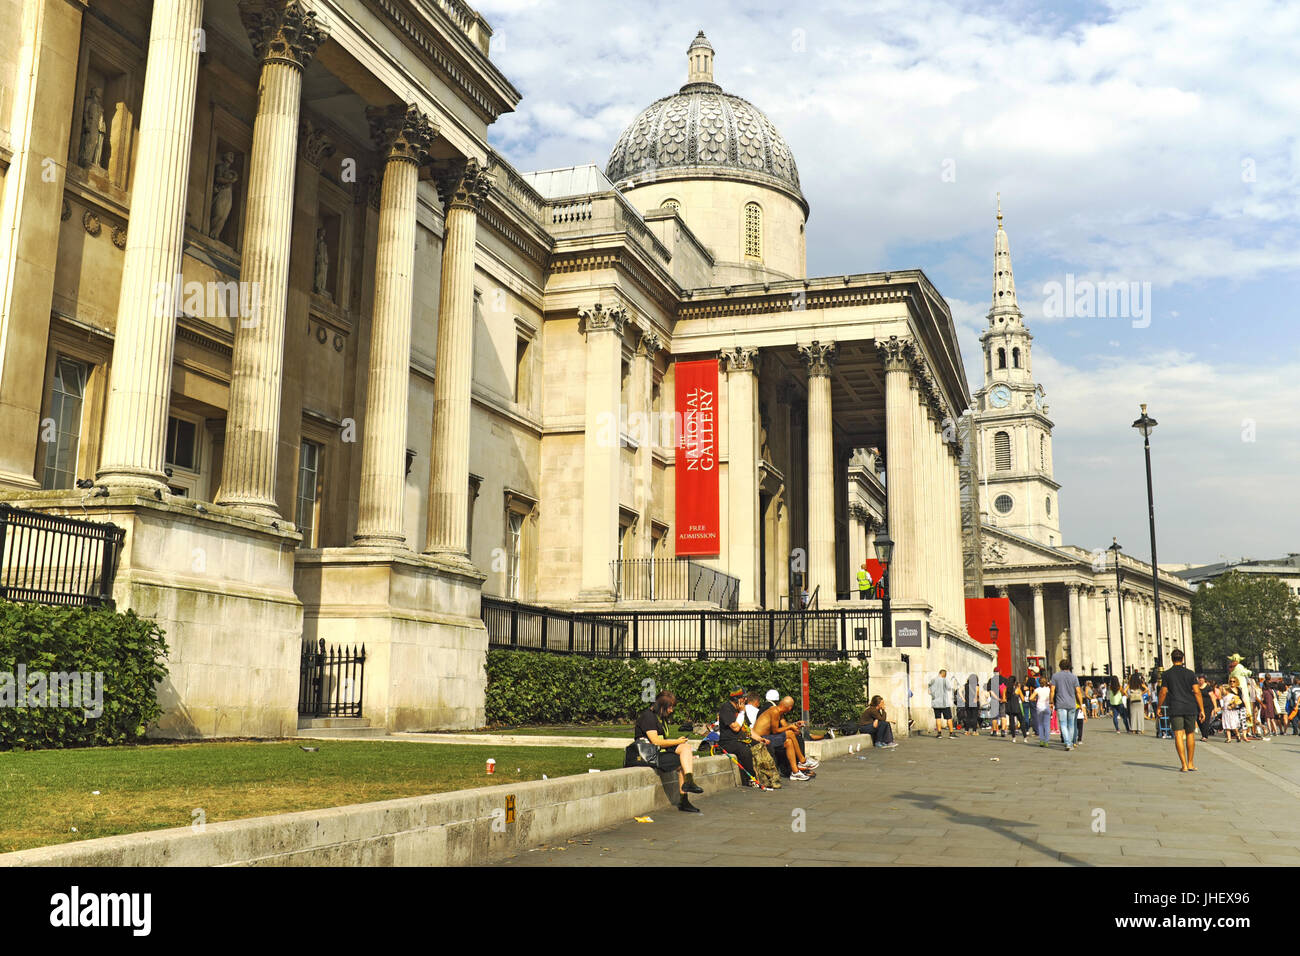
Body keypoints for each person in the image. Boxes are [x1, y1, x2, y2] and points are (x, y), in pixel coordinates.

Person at [634, 690, 704, 812]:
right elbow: (655, 741)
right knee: (682, 760)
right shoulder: (648, 717)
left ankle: (689, 782)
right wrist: (677, 742)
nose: (671, 710)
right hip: (648, 755)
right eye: (670, 707)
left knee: (686, 748)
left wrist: (680, 743)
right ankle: (684, 800)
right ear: (661, 706)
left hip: (658, 752)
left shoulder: (660, 717)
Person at [1158, 648, 1204, 772]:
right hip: (1190, 706)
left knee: (1178, 734)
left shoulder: (1167, 674)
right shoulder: (1190, 673)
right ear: (1182, 659)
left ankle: (1183, 764)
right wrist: (1202, 709)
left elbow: (1163, 692)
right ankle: (1190, 763)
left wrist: (1159, 707)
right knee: (1190, 734)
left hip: (1175, 706)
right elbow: (1197, 691)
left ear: (1172, 659)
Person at [753, 696, 818, 779]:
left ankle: (795, 772)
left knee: (788, 742)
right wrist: (790, 727)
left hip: (767, 736)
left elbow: (784, 726)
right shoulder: (774, 711)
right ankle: (802, 760)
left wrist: (794, 725)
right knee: (790, 733)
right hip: (760, 739)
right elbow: (775, 731)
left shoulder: (779, 712)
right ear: (789, 708)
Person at [716, 687, 759, 788]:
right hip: (728, 742)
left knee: (763, 746)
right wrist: (741, 713)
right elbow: (735, 727)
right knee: (744, 750)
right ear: (738, 699)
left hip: (741, 738)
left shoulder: (741, 709)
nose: (745, 700)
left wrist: (760, 738)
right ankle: (751, 778)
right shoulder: (726, 708)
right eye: (744, 698)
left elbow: (747, 728)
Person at [741, 692, 781, 789]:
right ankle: (768, 777)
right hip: (746, 737)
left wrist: (760, 738)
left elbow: (748, 728)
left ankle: (769, 777)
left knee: (766, 746)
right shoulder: (755, 711)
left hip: (751, 735)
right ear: (756, 702)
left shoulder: (744, 710)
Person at [1051, 659, 1083, 751]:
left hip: (1060, 703)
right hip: (1071, 704)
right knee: (1071, 724)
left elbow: (1052, 690)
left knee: (1063, 724)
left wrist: (1051, 701)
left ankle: (1067, 743)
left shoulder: (1055, 676)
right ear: (1069, 666)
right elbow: (1078, 692)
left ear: (1060, 666)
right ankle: (1070, 743)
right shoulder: (1074, 677)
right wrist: (1081, 704)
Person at [928, 668, 956, 738]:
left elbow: (929, 691)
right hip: (944, 703)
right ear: (944, 675)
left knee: (938, 718)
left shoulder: (932, 680)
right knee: (949, 718)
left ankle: (939, 733)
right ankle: (951, 733)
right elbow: (949, 688)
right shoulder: (945, 680)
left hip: (935, 703)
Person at [1003, 674, 1028, 741]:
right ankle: (1025, 737)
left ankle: (1013, 738)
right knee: (1021, 721)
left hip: (1010, 708)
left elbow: (1004, 699)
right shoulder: (1017, 689)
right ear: (1014, 682)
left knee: (1012, 723)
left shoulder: (1006, 689)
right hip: (1017, 707)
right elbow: (1023, 699)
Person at [1031, 675, 1053, 747]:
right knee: (1047, 725)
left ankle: (1041, 741)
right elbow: (1052, 697)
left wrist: (1035, 699)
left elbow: (1031, 698)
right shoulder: (1049, 689)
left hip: (1039, 707)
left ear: (1039, 682)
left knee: (1040, 724)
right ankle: (1046, 741)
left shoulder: (1037, 689)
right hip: (1047, 707)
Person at [1220, 678, 1245, 743]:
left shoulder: (1232, 696)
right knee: (1227, 726)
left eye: (1223, 690)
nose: (1222, 691)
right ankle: (1229, 738)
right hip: (1225, 712)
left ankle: (1237, 735)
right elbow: (1223, 704)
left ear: (1227, 690)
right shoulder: (1223, 697)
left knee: (1233, 726)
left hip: (1231, 713)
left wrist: (1232, 706)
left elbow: (1238, 701)